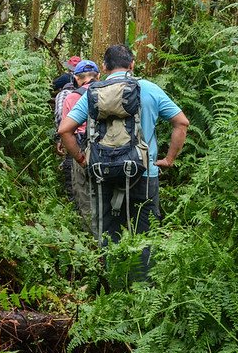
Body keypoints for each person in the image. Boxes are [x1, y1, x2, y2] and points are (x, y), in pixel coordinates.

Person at [57, 44, 189, 279]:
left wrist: (81, 158)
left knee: (109, 235)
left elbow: (65, 129)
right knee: (145, 236)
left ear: (105, 67)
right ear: (132, 65)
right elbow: (182, 123)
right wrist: (168, 159)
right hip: (145, 174)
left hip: (104, 174)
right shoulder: (148, 89)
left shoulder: (92, 93)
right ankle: (143, 292)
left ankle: (113, 287)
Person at [60, 59, 100, 223]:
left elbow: (64, 128)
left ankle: (91, 234)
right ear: (98, 76)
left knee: (83, 192)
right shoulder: (108, 92)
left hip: (81, 147)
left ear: (76, 78)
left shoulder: (71, 98)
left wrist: (79, 158)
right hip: (108, 147)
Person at [52, 55, 82, 201]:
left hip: (70, 134)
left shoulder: (63, 90)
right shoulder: (88, 91)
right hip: (86, 135)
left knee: (70, 166)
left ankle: (73, 201)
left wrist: (59, 138)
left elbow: (60, 118)